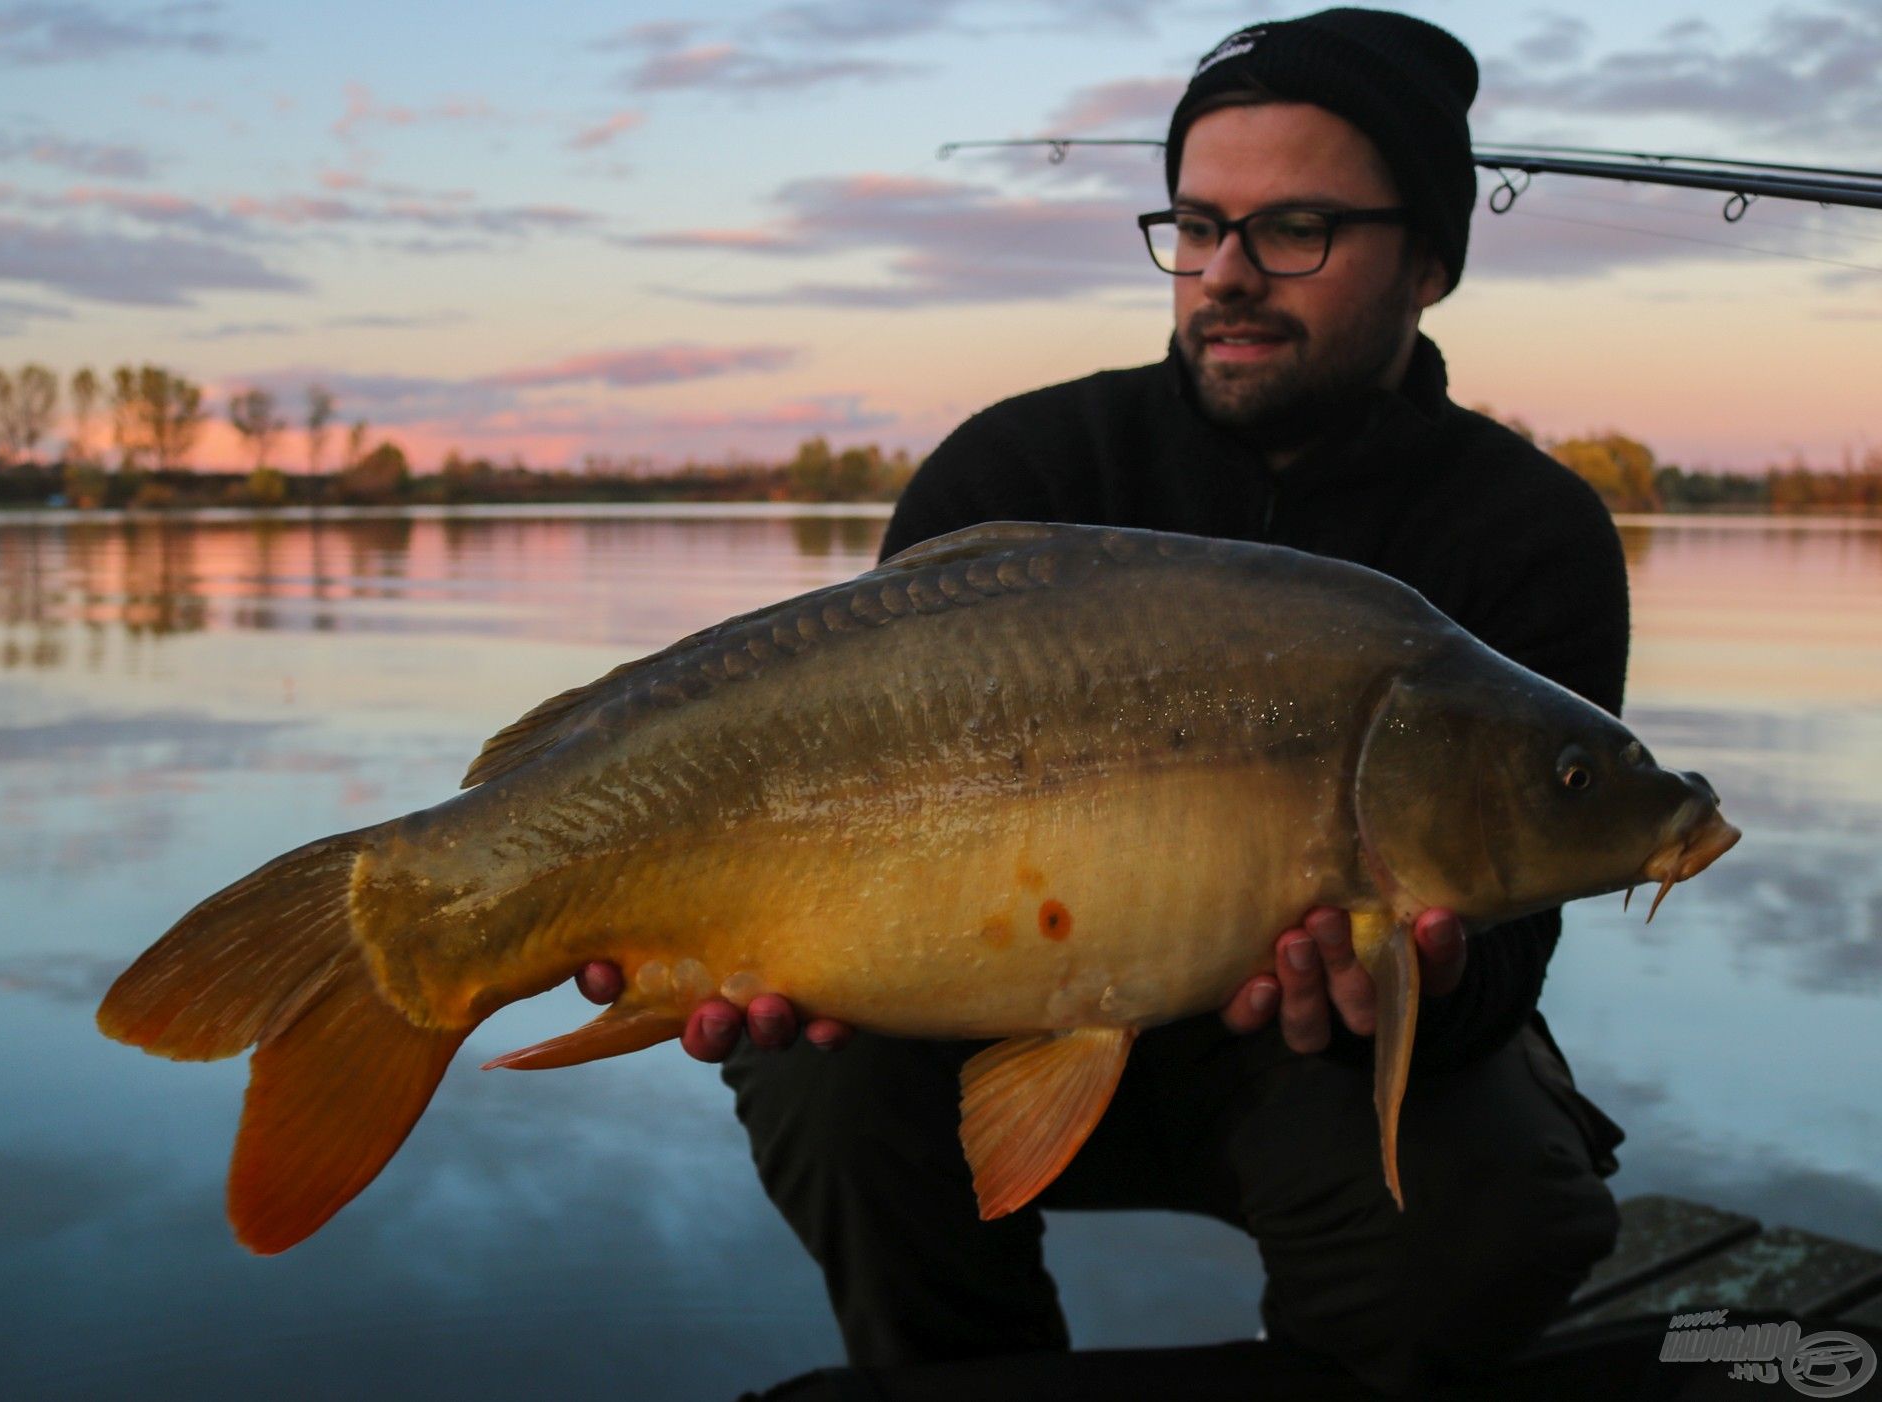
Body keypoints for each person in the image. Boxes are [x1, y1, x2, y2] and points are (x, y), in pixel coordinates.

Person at [576, 8, 1629, 1394]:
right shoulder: (1021, 463)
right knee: (815, 1074)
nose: (1228, 275)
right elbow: (843, 795)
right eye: (1197, 228)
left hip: (1310, 1066)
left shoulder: (1528, 530)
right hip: (986, 1004)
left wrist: (1422, 980)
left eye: (1293, 230)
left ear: (1428, 261)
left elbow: (1508, 956)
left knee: (1495, 1199)